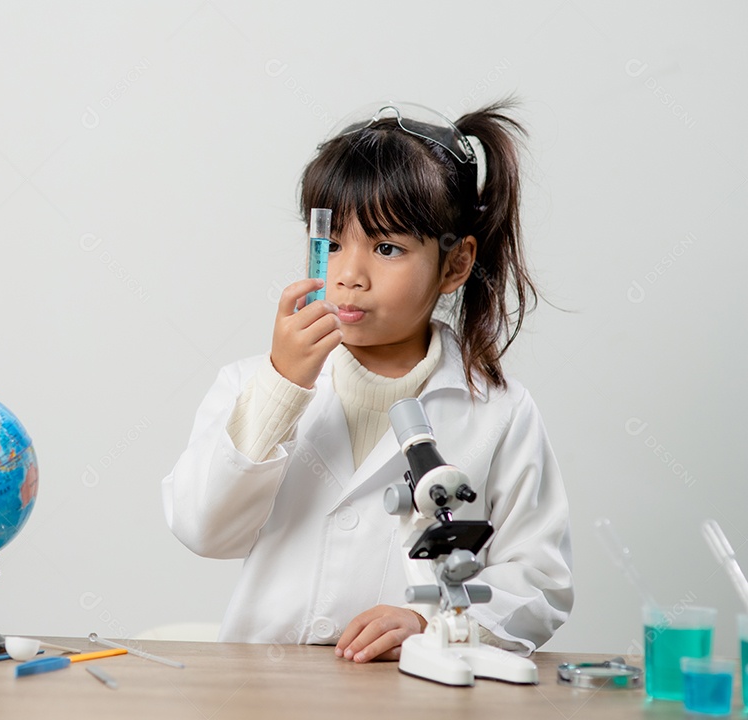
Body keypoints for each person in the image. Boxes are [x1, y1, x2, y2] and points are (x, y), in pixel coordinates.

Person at [162, 99, 573, 662]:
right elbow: (202, 528)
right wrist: (282, 387)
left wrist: (430, 621)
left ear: (454, 265)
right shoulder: (251, 383)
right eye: (330, 244)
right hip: (263, 689)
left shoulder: (499, 410)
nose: (349, 275)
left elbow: (541, 580)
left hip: (412, 688)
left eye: (386, 248)